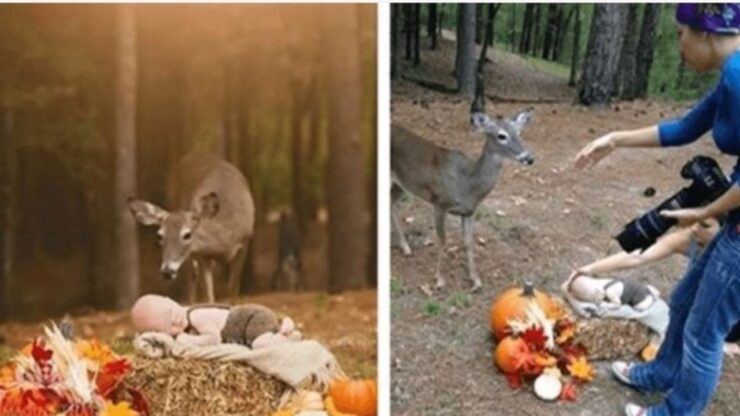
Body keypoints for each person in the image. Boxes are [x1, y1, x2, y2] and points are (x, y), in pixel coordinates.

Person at [574, 4, 740, 415]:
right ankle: (663, 371)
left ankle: (675, 411)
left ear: (705, 32)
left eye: (681, 32)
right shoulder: (730, 76)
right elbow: (685, 127)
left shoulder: (739, 76)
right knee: (685, 298)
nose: (679, 44)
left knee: (705, 331)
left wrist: (706, 212)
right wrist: (615, 138)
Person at [130, 294, 299, 349]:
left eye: (171, 311)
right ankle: (282, 327)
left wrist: (189, 340)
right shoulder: (187, 319)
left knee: (261, 345)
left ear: (171, 300)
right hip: (250, 322)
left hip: (250, 320)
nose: (176, 320)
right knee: (262, 337)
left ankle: (286, 339)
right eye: (168, 325)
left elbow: (214, 339)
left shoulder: (196, 316)